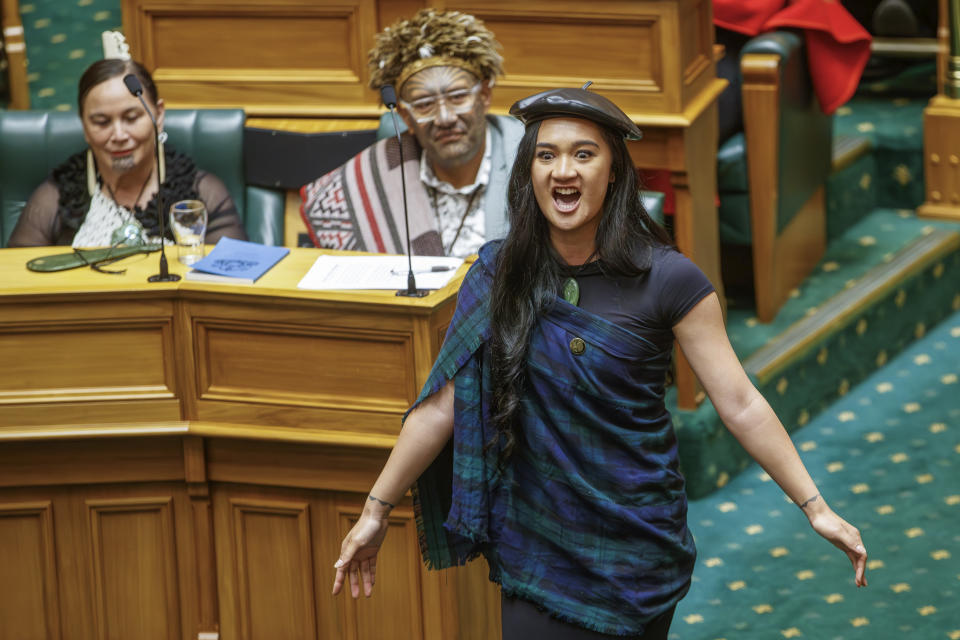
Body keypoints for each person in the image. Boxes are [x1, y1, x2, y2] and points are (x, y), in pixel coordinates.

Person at [331, 87, 868, 639]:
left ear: (613, 172)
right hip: (536, 539)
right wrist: (376, 509)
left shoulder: (669, 279)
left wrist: (814, 505)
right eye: (547, 155)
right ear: (529, 172)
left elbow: (741, 403)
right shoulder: (497, 273)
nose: (564, 169)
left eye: (584, 154)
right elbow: (442, 405)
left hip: (635, 543)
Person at [299, 9, 523, 258]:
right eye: (425, 104)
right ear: (406, 116)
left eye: (458, 97)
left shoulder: (531, 157)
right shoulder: (376, 177)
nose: (445, 118)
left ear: (484, 96)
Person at [8, 58, 246, 248]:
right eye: (102, 122)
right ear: (85, 127)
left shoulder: (200, 192)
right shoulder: (57, 197)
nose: (119, 135)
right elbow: (16, 286)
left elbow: (233, 281)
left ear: (158, 115)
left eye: (132, 118)